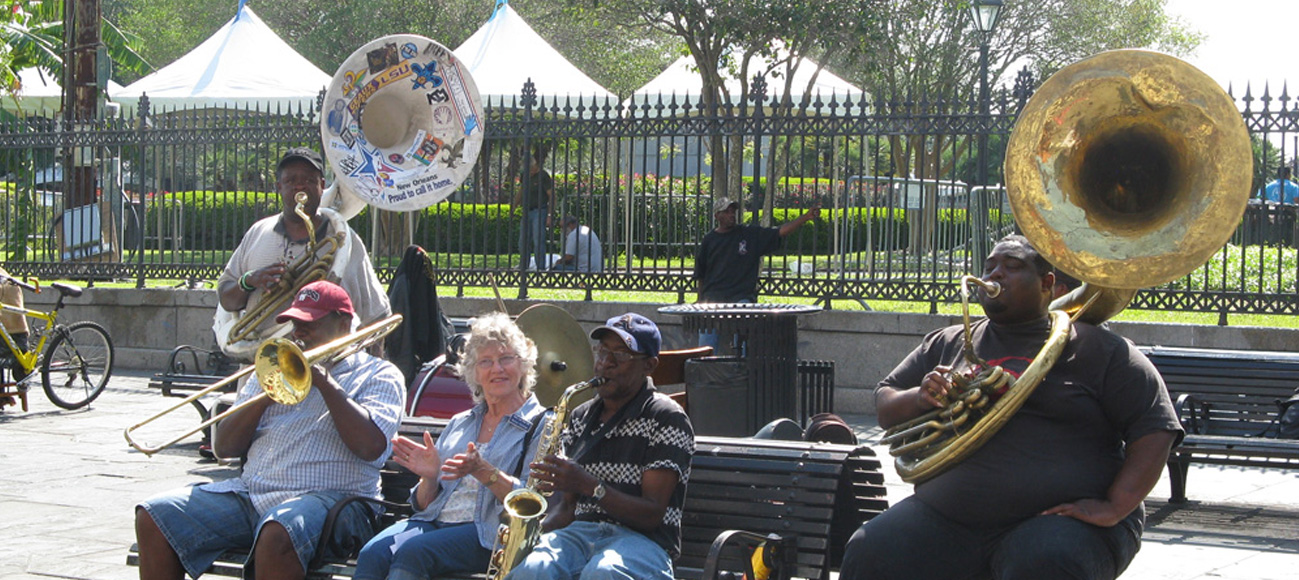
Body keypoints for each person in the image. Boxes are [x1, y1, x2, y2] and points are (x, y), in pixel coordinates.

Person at [840, 235, 1183, 580]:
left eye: (1012, 266)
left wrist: (1114, 506)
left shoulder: (1100, 349)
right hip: (947, 516)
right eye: (990, 266)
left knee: (1041, 564)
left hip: (1055, 521)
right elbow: (885, 400)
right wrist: (919, 398)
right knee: (871, 549)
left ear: (1047, 283)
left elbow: (1155, 427)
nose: (995, 274)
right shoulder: (950, 341)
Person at [135, 280, 406, 580]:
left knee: (278, 531)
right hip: (254, 496)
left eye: (309, 323)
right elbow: (223, 448)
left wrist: (326, 384)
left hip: (337, 501)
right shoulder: (273, 365)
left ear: (344, 324)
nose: (298, 333)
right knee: (154, 516)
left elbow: (371, 447)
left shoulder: (378, 374)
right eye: (294, 323)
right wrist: (267, 393)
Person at [354, 312, 547, 580]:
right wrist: (429, 477)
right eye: (486, 362)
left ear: (523, 364)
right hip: (434, 524)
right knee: (373, 553)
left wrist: (484, 471)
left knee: (414, 552)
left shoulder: (540, 424)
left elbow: (534, 501)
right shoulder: (461, 422)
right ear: (474, 372)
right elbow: (422, 507)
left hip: (489, 535)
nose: (497, 369)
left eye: (506, 358)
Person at [505, 313, 695, 580]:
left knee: (602, 572)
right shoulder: (581, 415)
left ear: (649, 365)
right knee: (533, 570)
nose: (606, 363)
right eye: (602, 351)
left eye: (621, 355)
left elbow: (652, 514)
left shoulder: (667, 417)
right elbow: (568, 509)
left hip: (645, 542)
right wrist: (526, 535)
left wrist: (590, 485)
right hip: (579, 535)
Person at [215, 147, 390, 361]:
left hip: (328, 368)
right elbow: (226, 300)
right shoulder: (258, 232)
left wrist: (376, 369)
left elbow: (375, 316)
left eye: (309, 180)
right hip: (263, 366)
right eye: (291, 181)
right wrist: (249, 281)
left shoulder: (343, 240)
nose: (300, 186)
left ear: (322, 186)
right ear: (279, 187)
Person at [693, 197, 820, 303]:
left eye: (732, 211)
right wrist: (701, 300)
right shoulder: (709, 240)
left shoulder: (749, 234)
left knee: (740, 327)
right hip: (713, 298)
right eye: (726, 212)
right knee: (708, 332)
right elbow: (701, 274)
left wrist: (805, 217)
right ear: (717, 216)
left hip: (741, 298)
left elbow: (780, 232)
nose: (731, 215)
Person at [514, 151, 554, 271]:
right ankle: (523, 266)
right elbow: (521, 191)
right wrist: (513, 206)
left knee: (538, 241)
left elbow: (552, 196)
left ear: (535, 165)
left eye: (531, 168)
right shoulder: (524, 175)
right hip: (527, 210)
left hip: (540, 210)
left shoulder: (543, 176)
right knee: (523, 241)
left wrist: (549, 215)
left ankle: (540, 268)